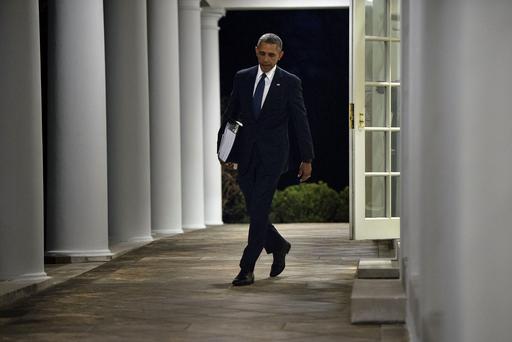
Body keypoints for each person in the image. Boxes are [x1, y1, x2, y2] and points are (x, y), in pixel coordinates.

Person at [218, 33, 314, 286]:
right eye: (262, 53)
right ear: (256, 51)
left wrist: (307, 157)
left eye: (272, 55)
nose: (266, 59)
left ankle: (246, 267)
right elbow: (230, 115)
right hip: (246, 154)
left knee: (259, 207)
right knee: (255, 209)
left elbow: (300, 121)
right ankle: (279, 245)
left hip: (273, 156)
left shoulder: (290, 82)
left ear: (280, 55)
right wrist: (224, 151)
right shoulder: (243, 77)